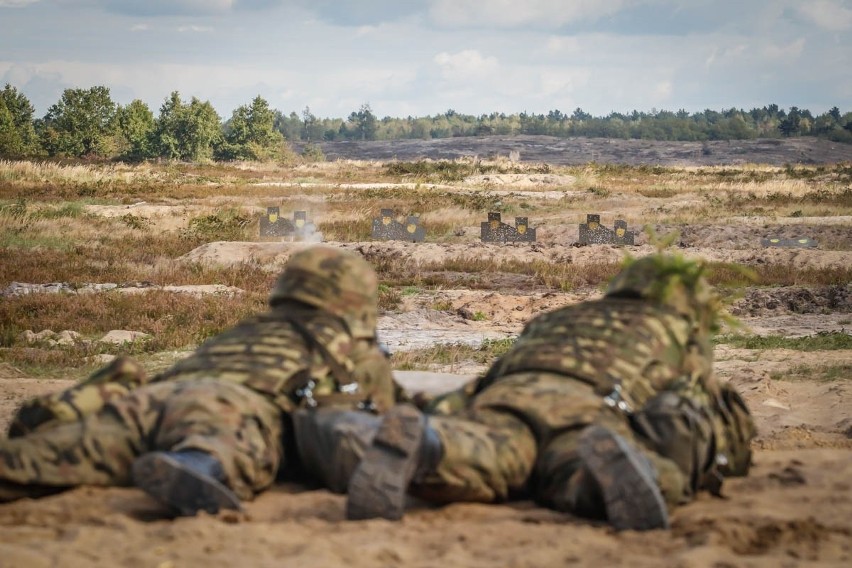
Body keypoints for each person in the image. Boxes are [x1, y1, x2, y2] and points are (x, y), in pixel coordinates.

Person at [345, 253, 757, 531]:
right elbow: (690, 403)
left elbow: (488, 379)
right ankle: (604, 479)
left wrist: (441, 414)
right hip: (586, 413)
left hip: (508, 399)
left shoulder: (558, 318)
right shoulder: (680, 333)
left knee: (484, 455)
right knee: (574, 471)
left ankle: (430, 448)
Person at [0, 245, 402, 515]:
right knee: (225, 448)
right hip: (229, 407)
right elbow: (387, 413)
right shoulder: (350, 346)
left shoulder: (248, 328)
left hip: (150, 399)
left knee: (41, 460)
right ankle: (193, 465)